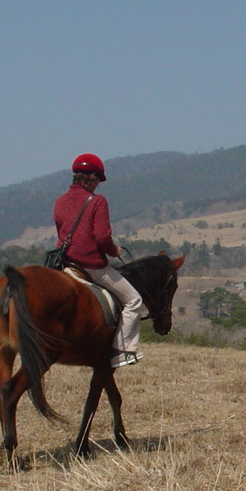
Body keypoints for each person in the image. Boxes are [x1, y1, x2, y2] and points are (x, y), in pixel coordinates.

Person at [53, 153, 144, 369]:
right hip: (91, 266)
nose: (97, 185)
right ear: (91, 177)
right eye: (97, 180)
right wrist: (115, 251)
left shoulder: (60, 201)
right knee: (134, 300)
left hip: (67, 265)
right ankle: (122, 351)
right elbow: (102, 237)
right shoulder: (97, 201)